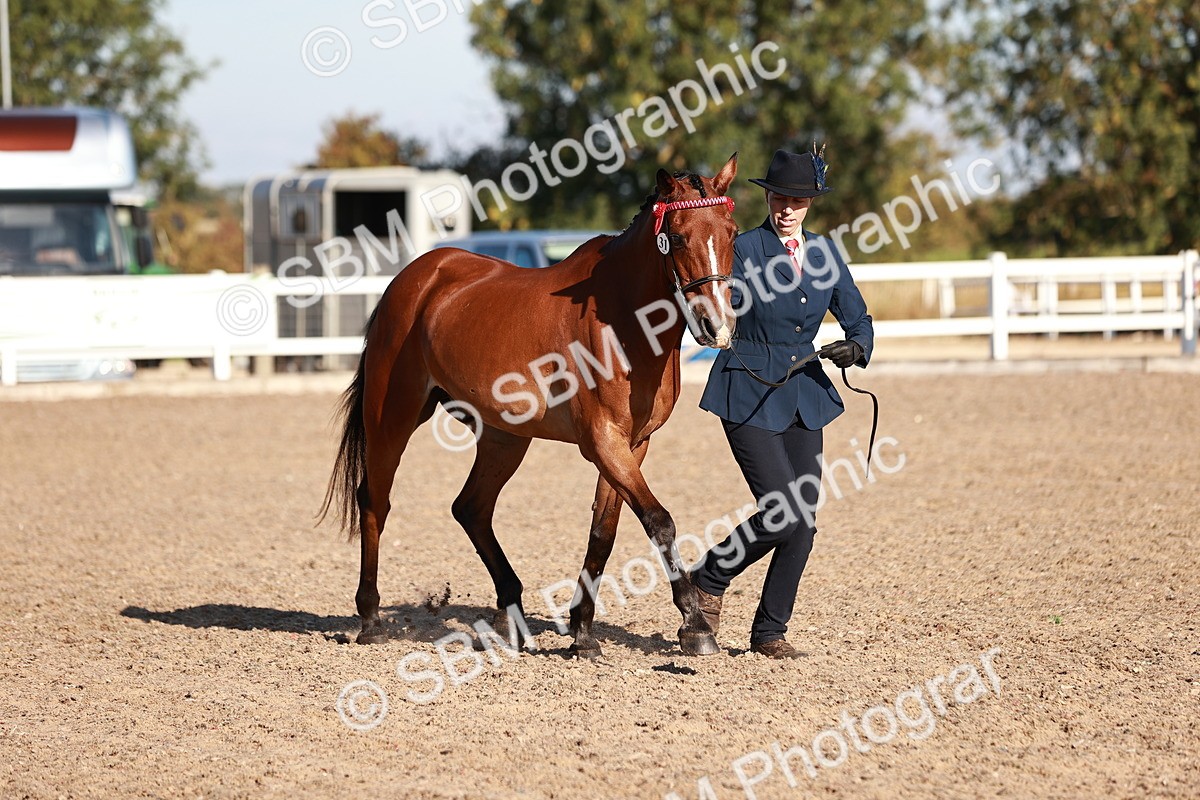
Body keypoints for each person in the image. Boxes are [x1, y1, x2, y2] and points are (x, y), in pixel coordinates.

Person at [693, 147, 874, 659]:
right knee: (782, 514)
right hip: (746, 386)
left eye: (797, 200)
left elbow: (858, 317)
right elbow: (712, 299)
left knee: (804, 524)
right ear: (768, 197)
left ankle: (769, 633)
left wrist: (856, 346)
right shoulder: (743, 248)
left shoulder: (825, 253)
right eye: (779, 197)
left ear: (810, 203)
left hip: (804, 393)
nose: (787, 208)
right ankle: (710, 576)